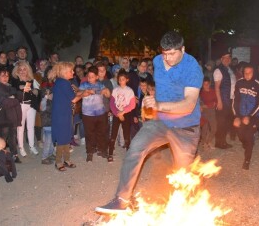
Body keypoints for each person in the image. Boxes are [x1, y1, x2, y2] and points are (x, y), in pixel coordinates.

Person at [95, 31, 203, 213]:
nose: (167, 58)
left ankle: (186, 211)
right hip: (161, 122)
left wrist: (159, 104)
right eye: (164, 53)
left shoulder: (192, 68)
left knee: (183, 177)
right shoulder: (158, 61)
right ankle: (122, 200)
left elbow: (188, 105)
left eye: (172, 53)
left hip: (186, 128)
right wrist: (149, 99)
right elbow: (161, 85)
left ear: (183, 49)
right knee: (135, 149)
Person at [47, 62, 91, 171]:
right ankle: (58, 162)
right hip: (62, 114)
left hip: (62, 112)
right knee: (62, 138)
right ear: (64, 72)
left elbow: (72, 95)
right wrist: (84, 94)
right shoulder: (64, 83)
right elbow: (74, 99)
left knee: (66, 136)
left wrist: (82, 92)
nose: (73, 72)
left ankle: (66, 160)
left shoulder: (61, 81)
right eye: (71, 71)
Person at [232, 64, 259, 170]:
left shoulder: (258, 85)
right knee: (241, 135)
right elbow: (235, 100)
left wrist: (249, 116)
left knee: (249, 136)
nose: (247, 75)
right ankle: (246, 144)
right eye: (245, 72)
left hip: (254, 116)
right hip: (241, 114)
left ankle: (247, 160)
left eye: (249, 73)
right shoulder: (239, 83)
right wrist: (236, 116)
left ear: (253, 73)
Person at [79, 66, 110, 162]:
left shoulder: (101, 85)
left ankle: (102, 150)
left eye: (92, 77)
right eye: (89, 77)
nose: (90, 79)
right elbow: (78, 94)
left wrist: (106, 91)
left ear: (97, 76)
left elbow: (108, 95)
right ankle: (90, 151)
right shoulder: (84, 85)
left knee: (102, 132)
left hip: (100, 112)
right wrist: (85, 92)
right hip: (87, 114)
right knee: (89, 133)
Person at [0, 67, 22, 163]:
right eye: (2, 75)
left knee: (12, 137)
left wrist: (13, 98)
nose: (5, 78)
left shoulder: (9, 86)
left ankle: (14, 155)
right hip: (3, 117)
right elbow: (5, 102)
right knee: (2, 138)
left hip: (12, 116)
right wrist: (15, 99)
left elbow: (20, 95)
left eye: (7, 75)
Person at [11, 61, 40, 156]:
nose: (23, 71)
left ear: (28, 70)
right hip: (21, 105)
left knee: (31, 127)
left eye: (24, 69)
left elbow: (37, 91)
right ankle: (21, 147)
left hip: (31, 105)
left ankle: (32, 146)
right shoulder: (15, 80)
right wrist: (21, 87)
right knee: (21, 127)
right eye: (20, 69)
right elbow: (14, 89)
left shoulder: (32, 80)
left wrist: (35, 91)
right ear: (17, 71)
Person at [108, 69, 136, 162]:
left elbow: (132, 105)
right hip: (117, 113)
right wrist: (117, 113)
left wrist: (122, 112)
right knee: (113, 133)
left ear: (127, 80)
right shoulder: (115, 90)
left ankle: (128, 152)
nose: (121, 81)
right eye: (119, 79)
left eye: (123, 79)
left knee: (126, 133)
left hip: (126, 114)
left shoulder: (130, 91)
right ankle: (110, 152)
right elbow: (112, 103)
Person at [214, 50, 236, 149]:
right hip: (223, 100)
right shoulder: (218, 70)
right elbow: (217, 87)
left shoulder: (229, 70)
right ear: (222, 59)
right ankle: (219, 143)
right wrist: (219, 101)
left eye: (229, 58)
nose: (227, 59)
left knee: (227, 122)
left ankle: (223, 141)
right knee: (221, 123)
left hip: (230, 100)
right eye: (225, 58)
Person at [200, 77, 217, 151]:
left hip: (212, 112)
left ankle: (208, 141)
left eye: (207, 84)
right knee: (205, 129)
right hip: (204, 112)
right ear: (202, 85)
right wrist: (204, 106)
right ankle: (204, 143)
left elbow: (215, 102)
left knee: (214, 128)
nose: (206, 86)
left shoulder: (213, 91)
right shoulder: (201, 93)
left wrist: (207, 105)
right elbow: (200, 104)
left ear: (210, 84)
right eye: (204, 84)